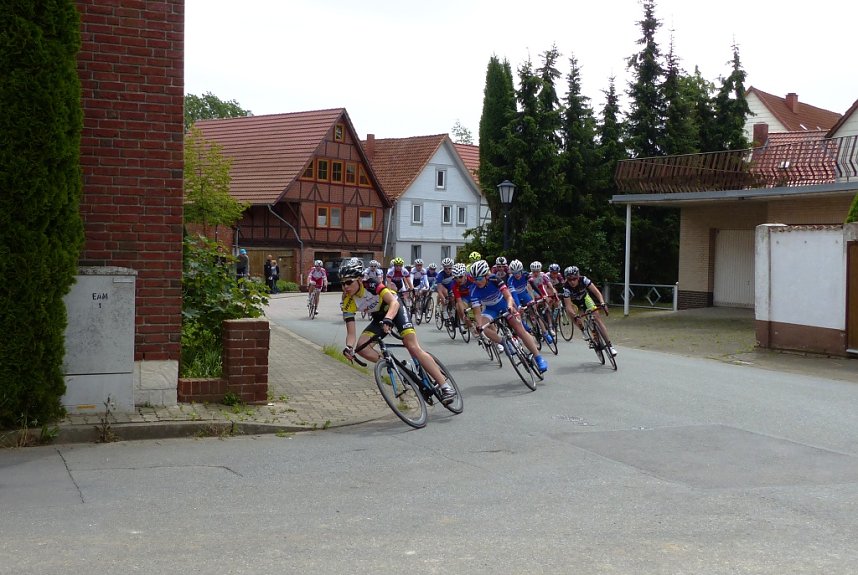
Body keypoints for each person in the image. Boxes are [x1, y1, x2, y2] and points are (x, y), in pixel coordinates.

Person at [338, 259, 457, 404]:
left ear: (358, 280)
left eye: (348, 282)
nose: (345, 287)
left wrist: (389, 319)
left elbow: (394, 303)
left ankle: (445, 386)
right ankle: (400, 367)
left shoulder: (372, 284)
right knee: (361, 347)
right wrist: (348, 347)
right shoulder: (347, 302)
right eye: (342, 283)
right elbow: (351, 333)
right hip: (379, 317)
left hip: (396, 309)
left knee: (412, 346)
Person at [467, 260, 548, 373]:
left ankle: (538, 358)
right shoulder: (473, 290)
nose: (477, 281)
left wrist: (510, 306)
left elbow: (509, 296)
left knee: (520, 331)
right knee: (484, 329)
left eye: (479, 278)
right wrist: (479, 325)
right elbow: (477, 312)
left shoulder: (495, 279)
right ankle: (504, 342)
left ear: (486, 275)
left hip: (504, 304)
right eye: (474, 279)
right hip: (490, 309)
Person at [560, 265, 617, 357]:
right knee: (573, 315)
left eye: (574, 279)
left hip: (585, 298)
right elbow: (568, 307)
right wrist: (575, 315)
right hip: (573, 302)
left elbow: (596, 292)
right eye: (569, 279)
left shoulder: (584, 280)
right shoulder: (566, 287)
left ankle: (610, 346)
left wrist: (602, 303)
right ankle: (583, 330)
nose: (572, 281)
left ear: (578, 277)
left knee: (598, 319)